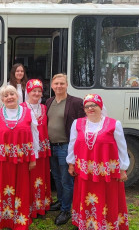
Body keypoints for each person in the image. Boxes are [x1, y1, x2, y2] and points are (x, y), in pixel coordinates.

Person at [66, 94, 130, 230]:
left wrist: (123, 168)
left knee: (106, 197)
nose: (90, 108)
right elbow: (72, 144)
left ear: (100, 106)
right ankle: (87, 223)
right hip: (84, 172)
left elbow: (122, 148)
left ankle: (106, 223)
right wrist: (71, 163)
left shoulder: (114, 124)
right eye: (87, 106)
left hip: (106, 173)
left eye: (94, 105)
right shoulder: (77, 123)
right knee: (87, 197)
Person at [0, 85, 39, 230]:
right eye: (6, 96)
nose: (9, 97)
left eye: (12, 94)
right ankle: (4, 218)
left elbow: (35, 136)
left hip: (23, 159)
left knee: (22, 188)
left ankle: (20, 217)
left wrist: (33, 157)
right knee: (4, 187)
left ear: (17, 96)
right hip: (3, 160)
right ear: (2, 99)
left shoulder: (28, 113)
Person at [45, 73, 85, 226]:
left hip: (66, 147)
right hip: (52, 147)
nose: (59, 86)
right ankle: (61, 202)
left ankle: (66, 210)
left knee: (66, 180)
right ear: (52, 86)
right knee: (56, 177)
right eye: (56, 84)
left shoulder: (75, 102)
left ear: (67, 85)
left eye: (62, 83)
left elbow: (81, 126)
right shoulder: (49, 102)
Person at [21, 79, 52, 218]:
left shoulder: (45, 108)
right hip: (29, 150)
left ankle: (41, 205)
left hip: (43, 149)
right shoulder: (21, 108)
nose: (37, 93)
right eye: (34, 90)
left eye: (39, 91)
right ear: (28, 92)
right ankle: (29, 206)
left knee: (41, 176)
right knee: (29, 177)